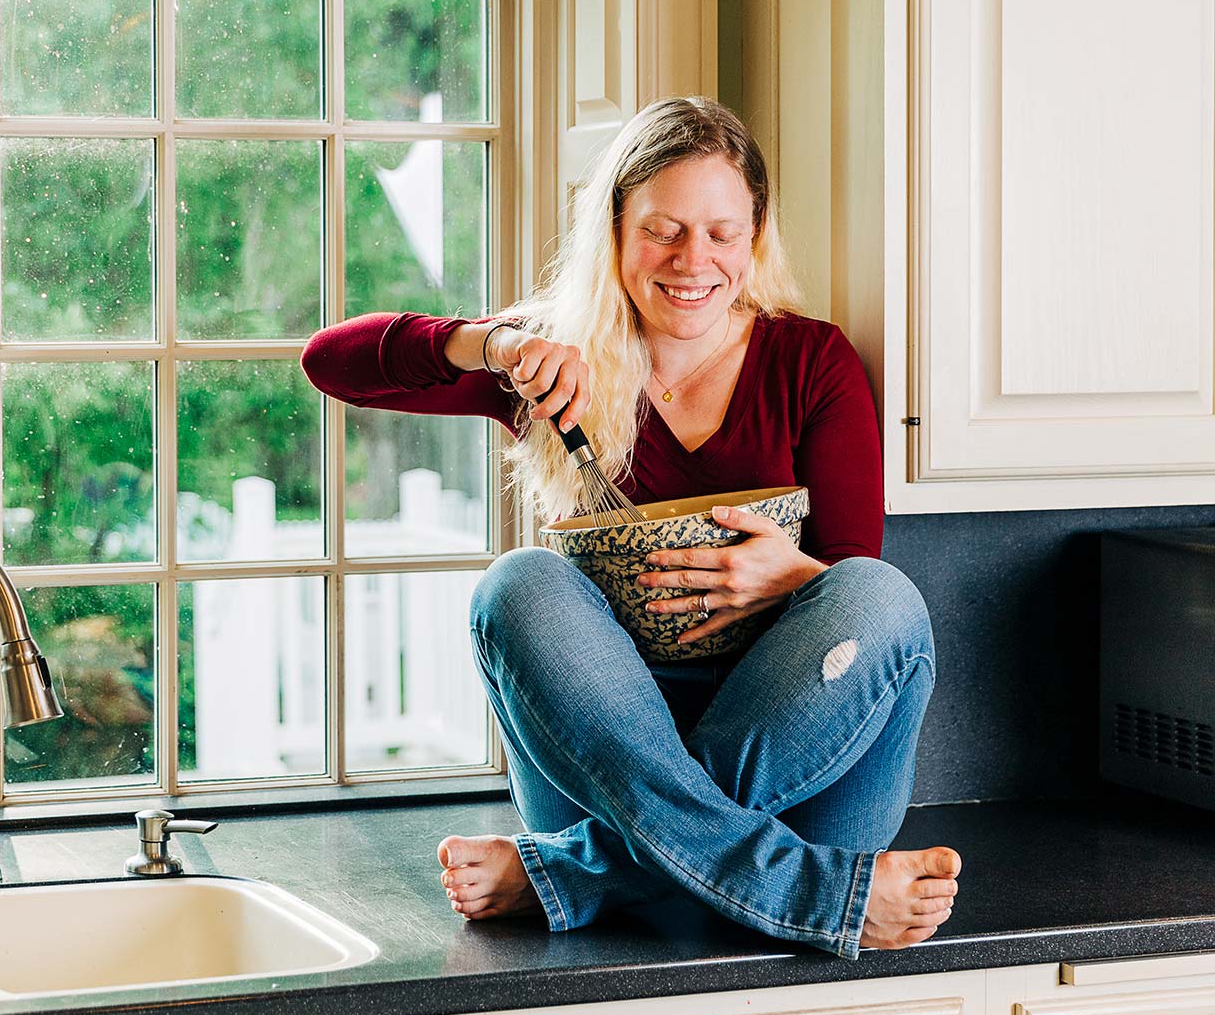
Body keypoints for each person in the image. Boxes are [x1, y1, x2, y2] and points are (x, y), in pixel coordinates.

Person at [300, 96, 959, 960]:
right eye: (665, 230)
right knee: (518, 582)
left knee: (883, 593)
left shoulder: (810, 360)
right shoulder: (553, 361)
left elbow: (852, 594)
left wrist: (794, 576)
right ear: (613, 230)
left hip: (804, 762)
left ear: (755, 236)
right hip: (605, 753)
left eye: (723, 232)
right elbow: (329, 360)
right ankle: (811, 888)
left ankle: (579, 873)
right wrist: (488, 344)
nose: (695, 260)